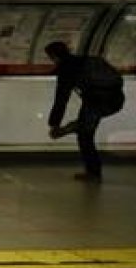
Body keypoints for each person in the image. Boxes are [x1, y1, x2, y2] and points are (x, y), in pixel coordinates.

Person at [44, 41, 126, 183]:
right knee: (85, 128)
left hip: (95, 102)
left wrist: (54, 123)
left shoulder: (66, 71)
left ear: (54, 57)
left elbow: (61, 99)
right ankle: (74, 127)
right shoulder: (90, 60)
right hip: (116, 100)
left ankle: (93, 172)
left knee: (85, 136)